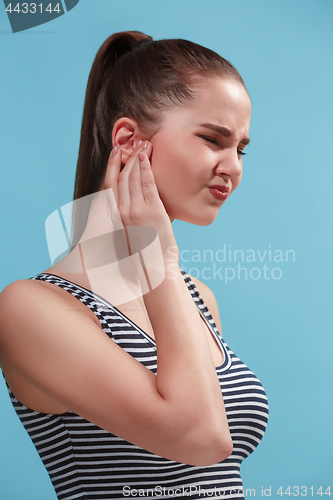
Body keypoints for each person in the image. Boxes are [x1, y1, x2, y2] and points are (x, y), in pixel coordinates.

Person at [0, 31, 268, 499]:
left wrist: (165, 270)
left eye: (241, 149)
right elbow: (201, 438)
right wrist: (160, 259)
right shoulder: (28, 309)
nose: (234, 167)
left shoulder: (197, 298)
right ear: (128, 140)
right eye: (213, 139)